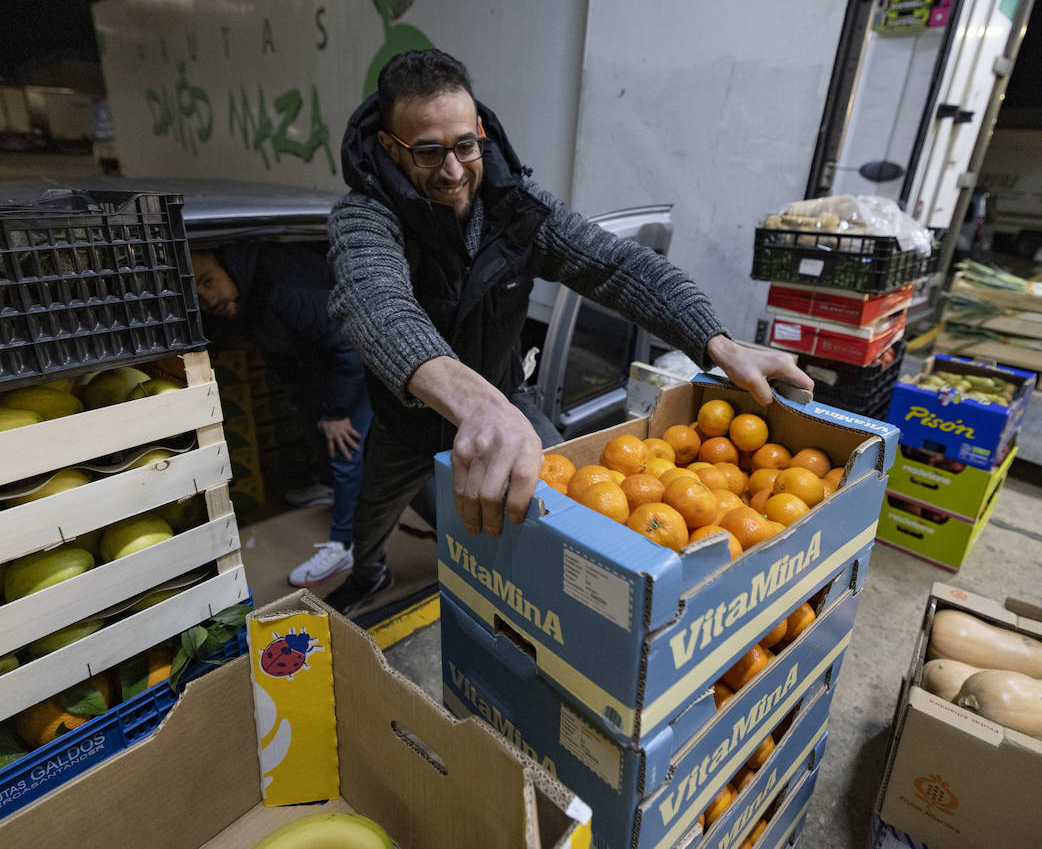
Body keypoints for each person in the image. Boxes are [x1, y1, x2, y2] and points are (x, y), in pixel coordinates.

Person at [323, 48, 813, 615]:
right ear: (391, 147)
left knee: (576, 505)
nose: (454, 171)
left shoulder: (518, 210)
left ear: (481, 131)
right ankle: (369, 571)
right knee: (373, 510)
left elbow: (618, 267)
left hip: (508, 398)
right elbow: (374, 304)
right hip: (407, 421)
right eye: (429, 152)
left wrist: (718, 342)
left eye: (465, 145)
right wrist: (477, 405)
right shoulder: (364, 216)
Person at [191, 243, 371, 587]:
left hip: (354, 358)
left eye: (208, 281)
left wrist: (336, 412)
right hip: (319, 361)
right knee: (313, 422)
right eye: (197, 294)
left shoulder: (282, 289)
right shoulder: (250, 293)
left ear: (228, 263)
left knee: (344, 445)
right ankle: (332, 488)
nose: (208, 299)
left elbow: (347, 345)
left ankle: (345, 544)